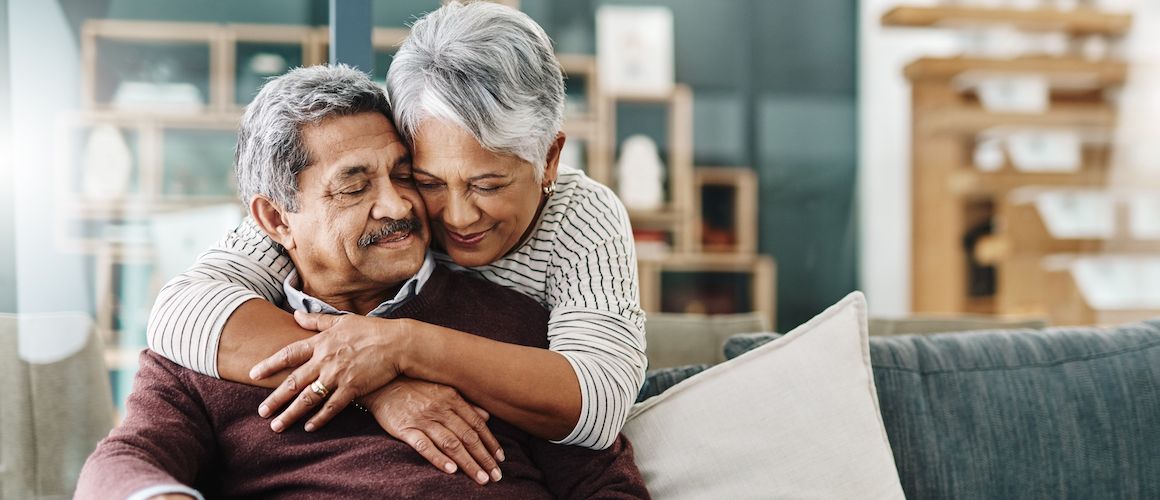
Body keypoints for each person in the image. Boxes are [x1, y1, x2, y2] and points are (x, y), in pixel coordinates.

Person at [75, 64, 648, 500]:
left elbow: (606, 483)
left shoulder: (515, 329)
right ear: (276, 221)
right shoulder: (210, 344)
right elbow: (121, 465)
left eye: (404, 175)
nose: (398, 204)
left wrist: (403, 351)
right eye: (354, 187)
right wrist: (382, 389)